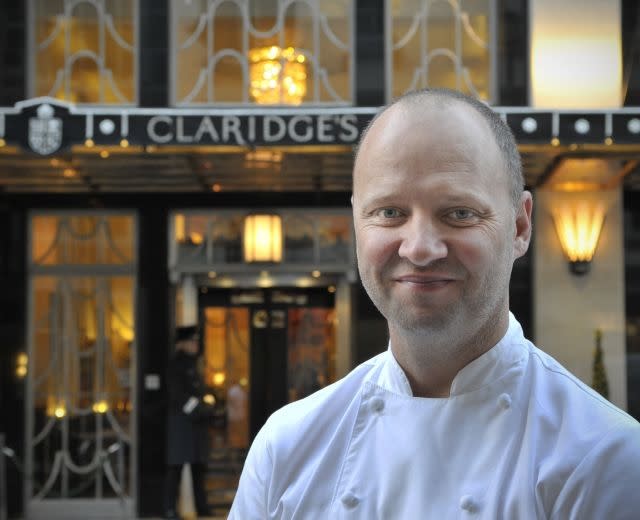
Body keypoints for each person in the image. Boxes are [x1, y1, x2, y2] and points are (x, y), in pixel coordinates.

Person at [228, 88, 640, 519]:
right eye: (389, 213)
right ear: (356, 223)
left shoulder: (602, 456)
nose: (420, 248)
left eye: (459, 213)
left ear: (519, 226)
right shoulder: (287, 445)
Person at [164, 325, 215, 519]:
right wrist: (198, 408)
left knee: (198, 469)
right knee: (175, 468)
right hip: (181, 424)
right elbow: (178, 395)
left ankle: (201, 507)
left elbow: (200, 392)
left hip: (196, 425)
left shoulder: (194, 364)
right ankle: (169, 509)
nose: (195, 345)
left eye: (196, 341)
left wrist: (206, 406)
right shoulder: (176, 365)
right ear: (183, 343)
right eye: (192, 341)